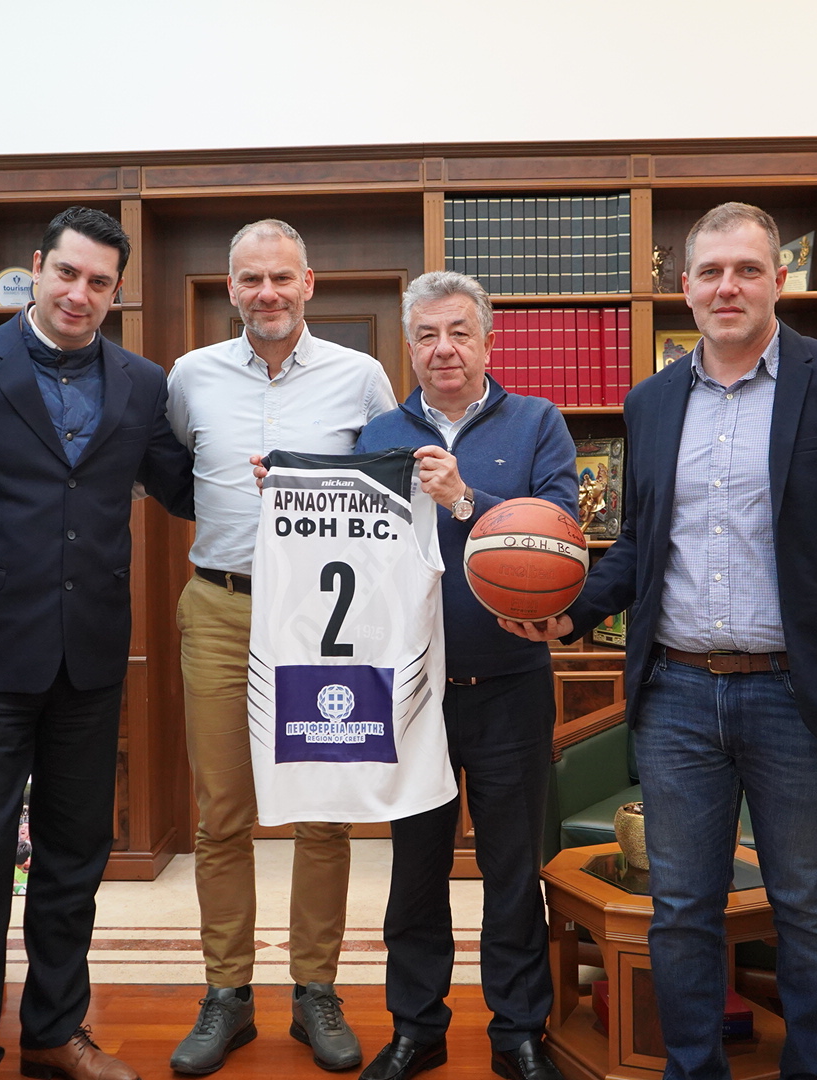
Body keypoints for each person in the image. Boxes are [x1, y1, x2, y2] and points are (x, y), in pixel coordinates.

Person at [505, 203, 817, 1080]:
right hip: (675, 693)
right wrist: (571, 613)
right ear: (685, 287)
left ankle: (811, 1072)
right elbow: (641, 541)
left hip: (798, 692)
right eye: (711, 272)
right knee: (680, 909)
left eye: (747, 269)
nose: (728, 287)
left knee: (809, 907)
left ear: (779, 279)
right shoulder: (653, 400)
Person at [0, 206, 194, 1080]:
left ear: (116, 291)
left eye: (99, 282)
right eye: (67, 273)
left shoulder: (141, 382)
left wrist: (270, 469)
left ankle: (55, 1033)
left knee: (74, 856)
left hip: (90, 653)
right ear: (38, 266)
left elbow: (181, 487)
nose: (79, 293)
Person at [165, 218, 396, 1075]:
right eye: (251, 279)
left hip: (322, 617)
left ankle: (315, 991)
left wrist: (308, 480)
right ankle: (227, 994)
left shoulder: (360, 377)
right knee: (220, 812)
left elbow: (390, 487)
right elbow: (173, 473)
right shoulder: (190, 376)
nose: (268, 293)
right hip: (221, 607)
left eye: (282, 278)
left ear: (309, 285)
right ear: (232, 289)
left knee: (322, 811)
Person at [354, 271, 577, 1080]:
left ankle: (518, 1031)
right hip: (411, 691)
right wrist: (289, 494)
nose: (442, 348)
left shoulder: (538, 422)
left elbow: (564, 535)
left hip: (510, 683)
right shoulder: (379, 433)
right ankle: (417, 1028)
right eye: (426, 335)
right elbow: (351, 544)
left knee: (511, 871)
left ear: (487, 341)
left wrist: (464, 499)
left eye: (458, 332)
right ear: (408, 346)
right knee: (415, 873)